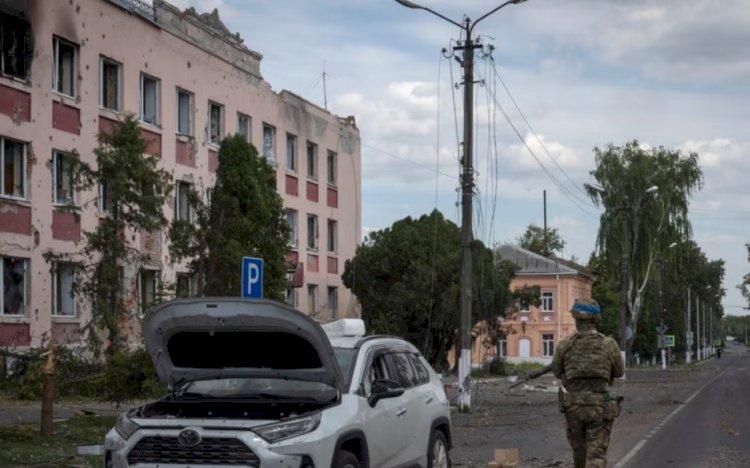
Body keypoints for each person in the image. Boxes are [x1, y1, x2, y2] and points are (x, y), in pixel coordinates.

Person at [551, 298, 624, 468]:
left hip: (573, 406)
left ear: (576, 318)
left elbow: (556, 371)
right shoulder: (609, 344)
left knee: (579, 452)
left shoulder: (565, 345)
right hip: (600, 406)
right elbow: (619, 372)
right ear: (596, 318)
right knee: (596, 454)